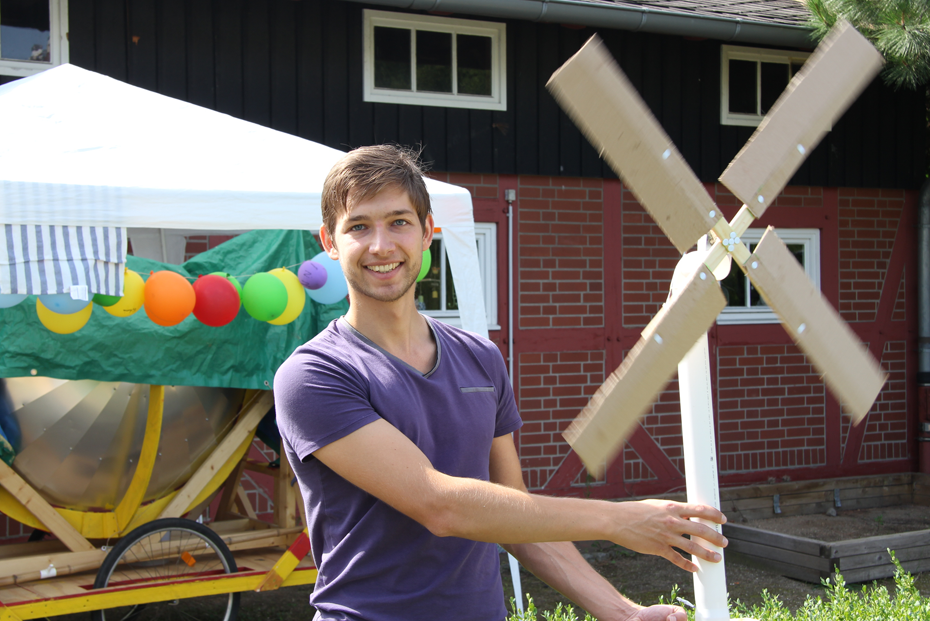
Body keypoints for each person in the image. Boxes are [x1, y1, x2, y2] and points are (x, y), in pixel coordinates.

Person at [274, 145, 728, 621]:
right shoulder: (315, 376)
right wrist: (617, 520)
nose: (381, 246)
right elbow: (440, 505)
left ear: (429, 231)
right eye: (359, 226)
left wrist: (624, 613)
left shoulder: (480, 359)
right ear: (329, 240)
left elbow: (515, 519)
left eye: (399, 222)